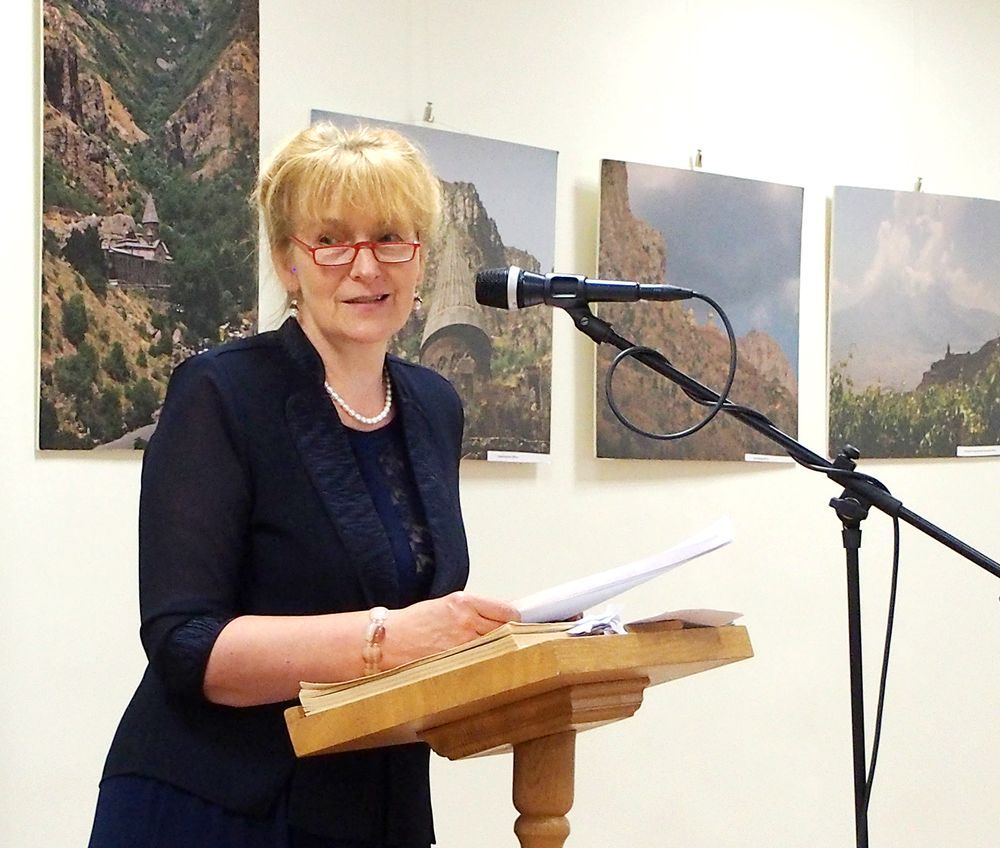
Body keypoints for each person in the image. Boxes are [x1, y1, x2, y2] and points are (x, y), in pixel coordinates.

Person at [88, 123, 520, 848]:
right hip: (219, 806)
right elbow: (188, 643)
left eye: (389, 238)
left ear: (420, 256)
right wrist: (390, 637)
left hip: (377, 802)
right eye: (331, 241)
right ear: (289, 262)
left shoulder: (435, 406)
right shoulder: (221, 392)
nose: (365, 266)